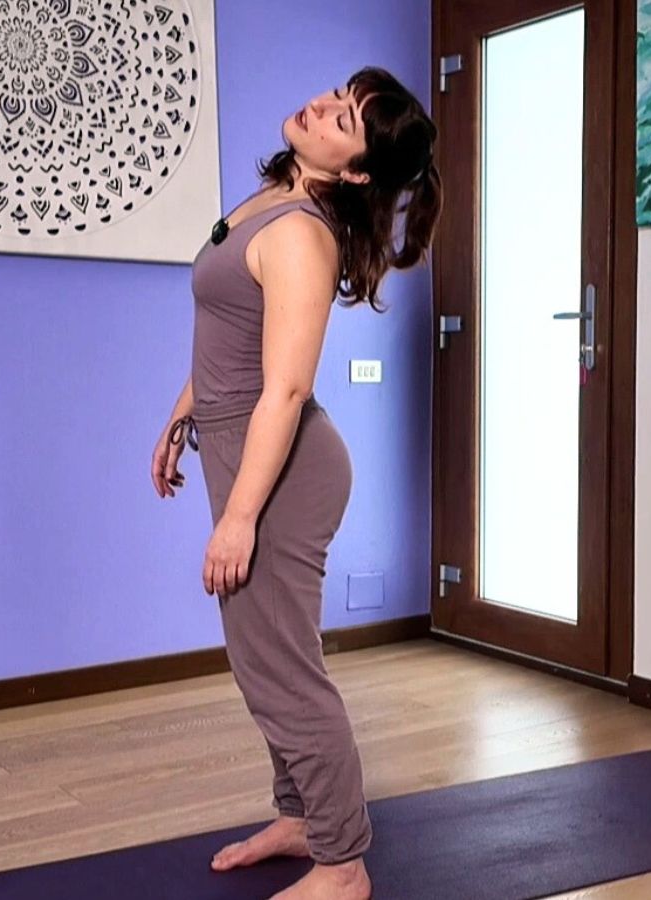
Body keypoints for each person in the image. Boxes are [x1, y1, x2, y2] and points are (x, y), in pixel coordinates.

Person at [151, 65, 442, 900]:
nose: (321, 107)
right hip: (239, 449)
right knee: (264, 660)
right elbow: (231, 335)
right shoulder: (271, 199)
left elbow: (283, 390)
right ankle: (302, 818)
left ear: (355, 172)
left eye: (343, 120)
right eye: (337, 98)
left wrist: (240, 518)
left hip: (280, 471)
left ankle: (343, 863)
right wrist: (180, 417)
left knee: (283, 671)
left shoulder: (302, 236)